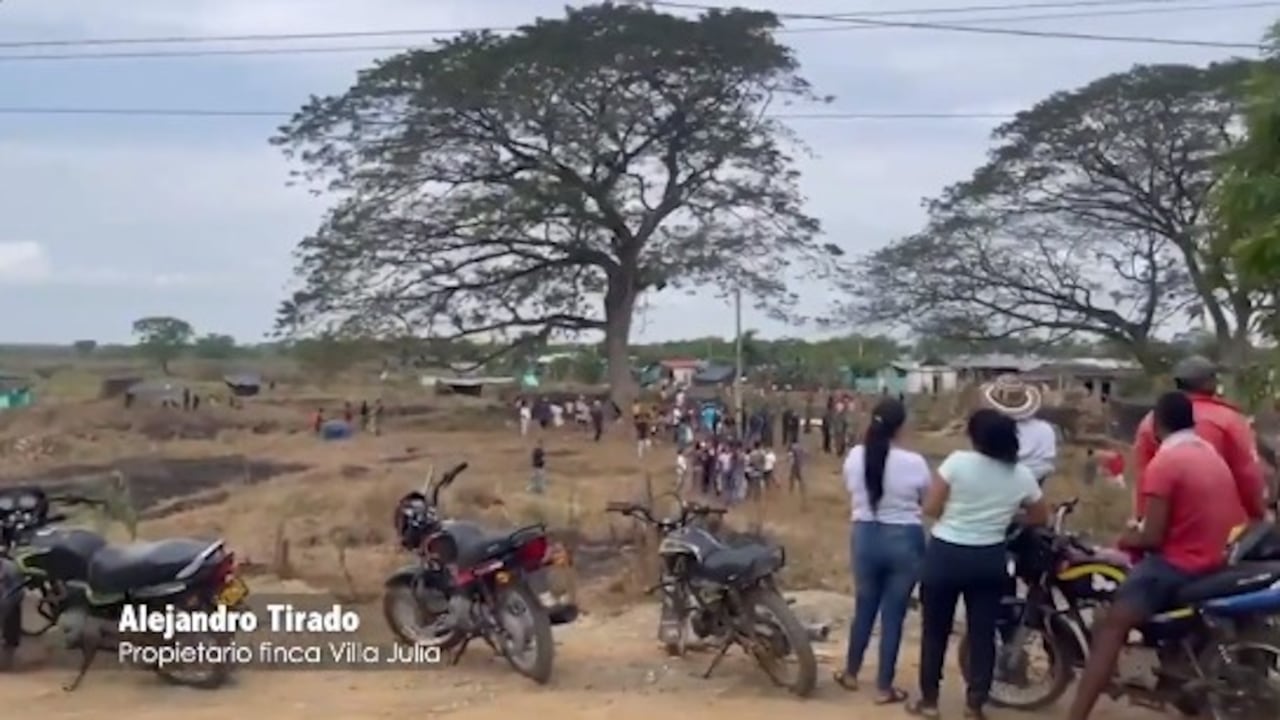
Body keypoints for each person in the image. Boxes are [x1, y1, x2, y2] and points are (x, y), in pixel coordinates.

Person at [1066, 392, 1246, 720]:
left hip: (1177, 565)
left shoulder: (1164, 463)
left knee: (1111, 624)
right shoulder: (1208, 453)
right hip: (1213, 559)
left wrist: (1125, 538)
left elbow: (1152, 537)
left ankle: (1076, 714)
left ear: (1157, 425)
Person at [910, 409, 1050, 719]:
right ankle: (975, 704)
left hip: (945, 554)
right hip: (989, 558)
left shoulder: (958, 462)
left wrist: (959, 511)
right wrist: (1009, 516)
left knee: (935, 631)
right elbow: (1041, 516)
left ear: (976, 437)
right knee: (982, 634)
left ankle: (930, 701)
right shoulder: (1021, 475)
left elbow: (931, 507)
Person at [834, 398, 929, 704]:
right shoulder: (914, 462)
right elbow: (926, 501)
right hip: (904, 539)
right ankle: (884, 686)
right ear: (900, 426)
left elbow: (851, 489)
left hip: (865, 535)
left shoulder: (856, 456)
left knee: (864, 607)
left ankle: (851, 672)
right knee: (893, 616)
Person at [1132, 356, 1266, 521]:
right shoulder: (1230, 420)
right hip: (1220, 528)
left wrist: (1142, 519)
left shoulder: (1153, 420)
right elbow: (1248, 476)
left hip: (1164, 526)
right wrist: (1258, 515)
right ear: (1210, 383)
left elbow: (1143, 478)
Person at [979, 375, 1057, 485]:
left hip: (1000, 481)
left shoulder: (991, 429)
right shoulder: (1045, 428)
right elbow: (1048, 459)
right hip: (1035, 479)